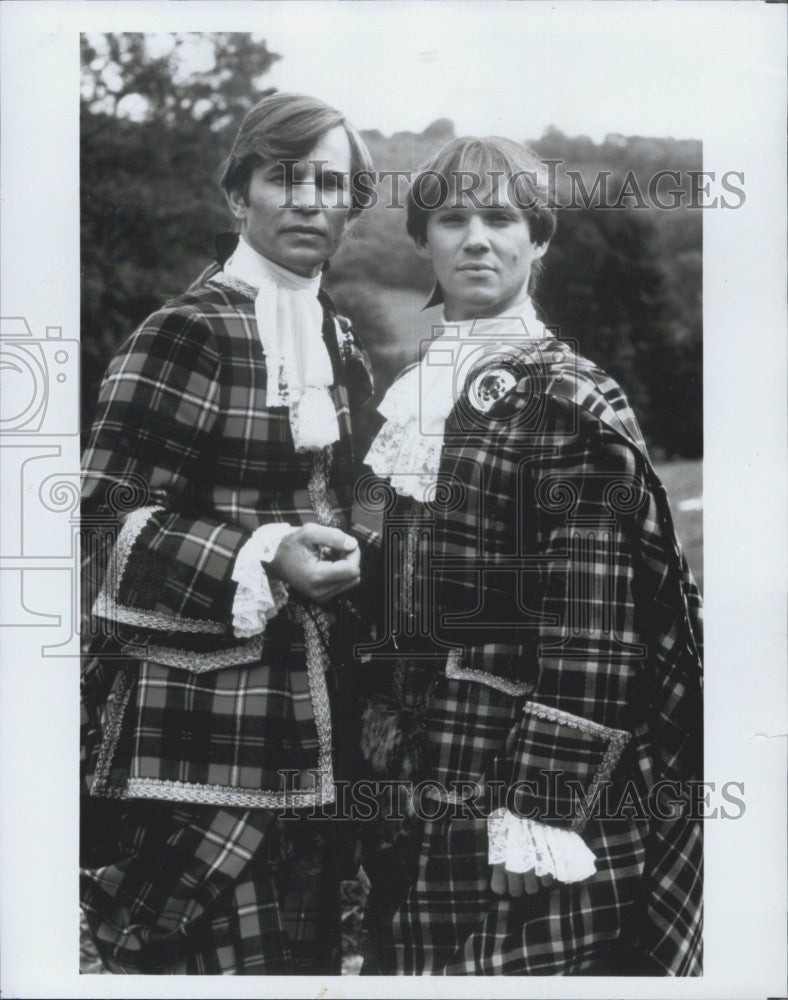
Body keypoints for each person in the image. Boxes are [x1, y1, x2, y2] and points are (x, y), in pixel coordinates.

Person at [358, 136, 703, 975]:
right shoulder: (426, 387)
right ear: (423, 242)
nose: (476, 238)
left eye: (502, 217)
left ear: (538, 241)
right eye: (452, 218)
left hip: (524, 781)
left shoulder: (565, 396)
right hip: (425, 768)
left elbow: (596, 626)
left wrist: (542, 811)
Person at [79, 92, 376, 974]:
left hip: (319, 724)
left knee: (303, 956)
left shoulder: (337, 338)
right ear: (236, 195)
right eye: (285, 176)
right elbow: (100, 516)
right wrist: (260, 554)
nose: (310, 199)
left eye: (333, 182)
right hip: (200, 721)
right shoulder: (187, 331)